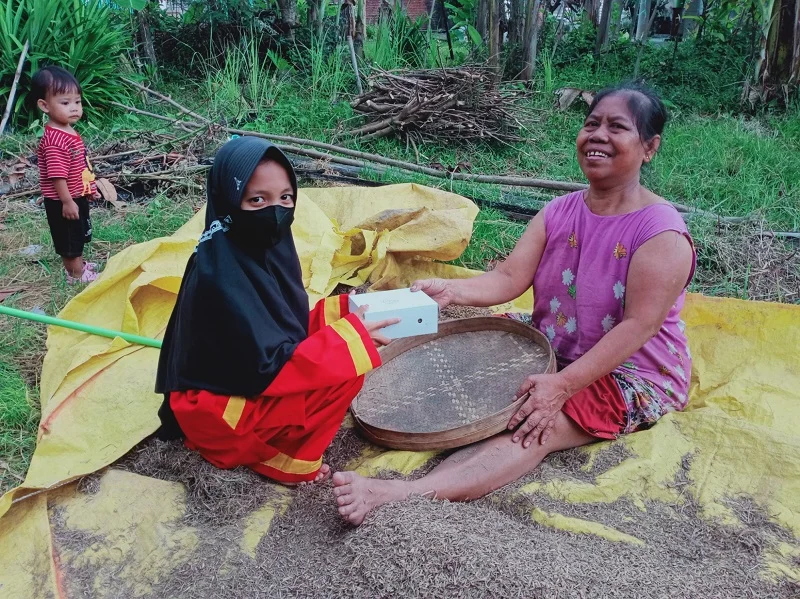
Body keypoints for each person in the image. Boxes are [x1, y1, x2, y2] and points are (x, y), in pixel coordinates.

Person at [333, 83, 696, 524]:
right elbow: (508, 277)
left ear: (649, 147)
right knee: (465, 339)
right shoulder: (559, 211)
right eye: (591, 124)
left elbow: (638, 326)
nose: (598, 135)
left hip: (633, 368)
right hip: (555, 337)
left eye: (617, 127)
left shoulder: (661, 235)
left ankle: (405, 493)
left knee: (534, 426)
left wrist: (562, 387)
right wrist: (454, 292)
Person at [155, 136, 398, 484]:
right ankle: (279, 459)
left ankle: (275, 438)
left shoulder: (263, 245)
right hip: (219, 414)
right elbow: (267, 369)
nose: (275, 211)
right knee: (345, 366)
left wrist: (352, 312)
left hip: (244, 374)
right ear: (228, 201)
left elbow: (284, 325)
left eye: (285, 198)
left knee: (342, 328)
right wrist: (350, 339)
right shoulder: (219, 274)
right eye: (257, 200)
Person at [32, 66, 98, 284]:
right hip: (63, 200)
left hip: (74, 196)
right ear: (44, 105)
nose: (74, 108)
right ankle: (76, 275)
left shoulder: (68, 131)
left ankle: (78, 266)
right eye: (65, 103)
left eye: (77, 102)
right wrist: (67, 201)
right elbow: (57, 176)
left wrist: (87, 189)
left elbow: (77, 166)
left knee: (77, 235)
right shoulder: (55, 141)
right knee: (69, 239)